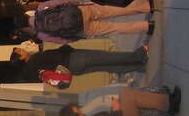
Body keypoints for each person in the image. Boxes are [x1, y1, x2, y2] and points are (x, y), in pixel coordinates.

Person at [13, 0, 153, 44]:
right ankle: (147, 6)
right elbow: (64, 0)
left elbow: (63, 40)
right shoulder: (41, 8)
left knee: (115, 28)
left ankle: (147, 26)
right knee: (115, 10)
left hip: (81, 30)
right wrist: (77, 3)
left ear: (25, 28)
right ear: (26, 15)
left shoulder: (42, 35)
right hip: (81, 11)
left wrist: (77, 37)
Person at [10, 44, 148, 83]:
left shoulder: (31, 72)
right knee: (107, 57)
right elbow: (57, 55)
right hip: (73, 59)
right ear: (21, 58)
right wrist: (66, 48)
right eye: (21, 51)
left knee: (106, 66)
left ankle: (137, 66)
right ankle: (139, 55)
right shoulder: (36, 59)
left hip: (73, 71)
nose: (23, 50)